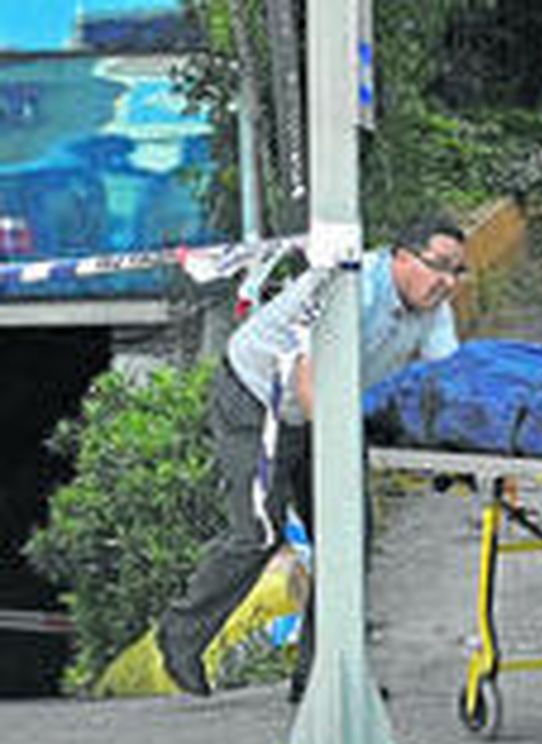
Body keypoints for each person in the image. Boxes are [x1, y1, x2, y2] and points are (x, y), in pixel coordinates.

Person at [158, 215, 466, 699]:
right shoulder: (350, 284)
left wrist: (459, 450)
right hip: (259, 396)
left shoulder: (433, 308)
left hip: (328, 410)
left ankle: (322, 674)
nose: (447, 282)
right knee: (258, 532)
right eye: (439, 266)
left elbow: (447, 380)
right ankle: (181, 634)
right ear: (401, 256)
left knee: (349, 539)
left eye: (457, 272)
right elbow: (307, 372)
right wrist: (339, 448)